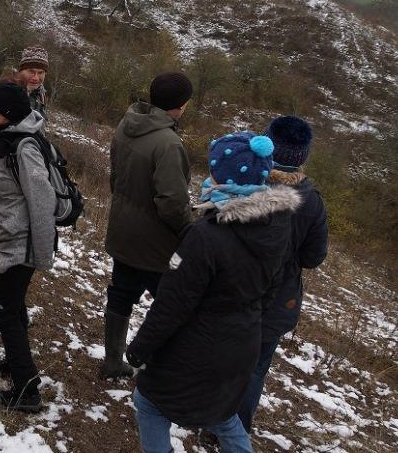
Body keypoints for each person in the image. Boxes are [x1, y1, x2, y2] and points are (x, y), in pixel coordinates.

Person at [126, 131, 299, 453]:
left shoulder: (205, 236)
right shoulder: (278, 224)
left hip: (196, 348)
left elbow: (173, 303)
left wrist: (140, 348)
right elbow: (271, 290)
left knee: (149, 403)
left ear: (221, 175)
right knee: (223, 414)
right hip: (242, 345)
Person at [236, 116, 328, 433]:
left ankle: (205, 410)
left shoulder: (246, 182)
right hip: (277, 300)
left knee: (219, 350)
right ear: (302, 156)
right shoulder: (312, 202)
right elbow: (313, 257)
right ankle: (234, 430)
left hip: (233, 287)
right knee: (256, 367)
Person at [101, 72, 193, 379]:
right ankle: (160, 371)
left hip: (123, 231)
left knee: (121, 294)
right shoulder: (169, 143)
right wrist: (188, 231)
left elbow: (116, 179)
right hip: (156, 244)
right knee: (170, 305)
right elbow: (172, 203)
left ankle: (112, 361)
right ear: (181, 105)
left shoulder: (126, 124)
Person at [0, 81, 55, 412]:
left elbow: (42, 201)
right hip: (7, 238)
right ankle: (14, 361)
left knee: (4, 311)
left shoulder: (24, 148)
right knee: (14, 305)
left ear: (6, 114)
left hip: (21, 244)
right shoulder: (2, 140)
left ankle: (27, 390)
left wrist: (41, 253)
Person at [18, 46, 49, 118]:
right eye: (31, 72)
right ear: (21, 71)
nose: (35, 78)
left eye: (40, 73)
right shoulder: (7, 93)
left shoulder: (41, 94)